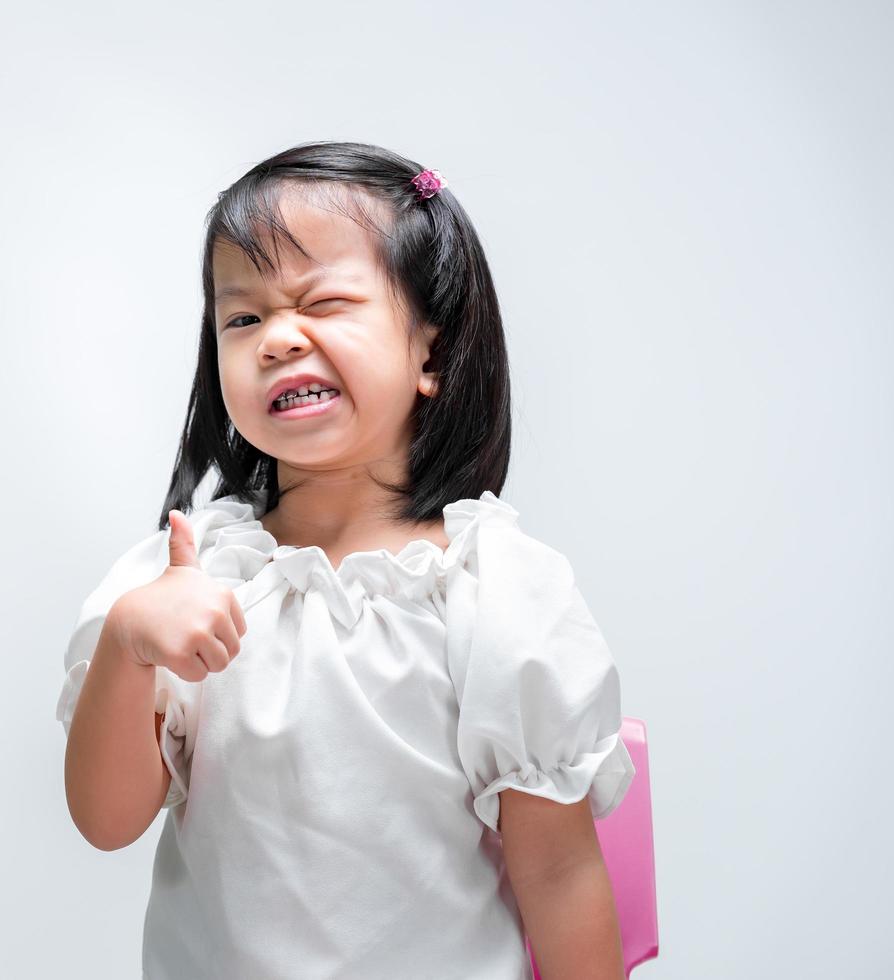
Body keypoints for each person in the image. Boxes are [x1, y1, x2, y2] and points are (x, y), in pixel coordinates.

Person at [54, 141, 635, 979]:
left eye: (323, 302)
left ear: (431, 353)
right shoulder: (192, 573)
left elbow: (557, 867)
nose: (279, 338)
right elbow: (107, 821)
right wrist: (127, 646)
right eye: (242, 317)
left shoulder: (489, 590)